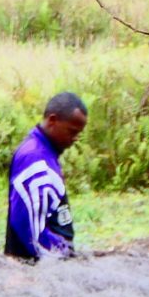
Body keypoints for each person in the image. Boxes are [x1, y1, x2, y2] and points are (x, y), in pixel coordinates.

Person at [5, 93, 87, 261]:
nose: (75, 139)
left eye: (78, 133)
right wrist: (62, 260)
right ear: (52, 120)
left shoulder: (43, 152)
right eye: (72, 131)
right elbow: (31, 234)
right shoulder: (35, 160)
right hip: (36, 269)